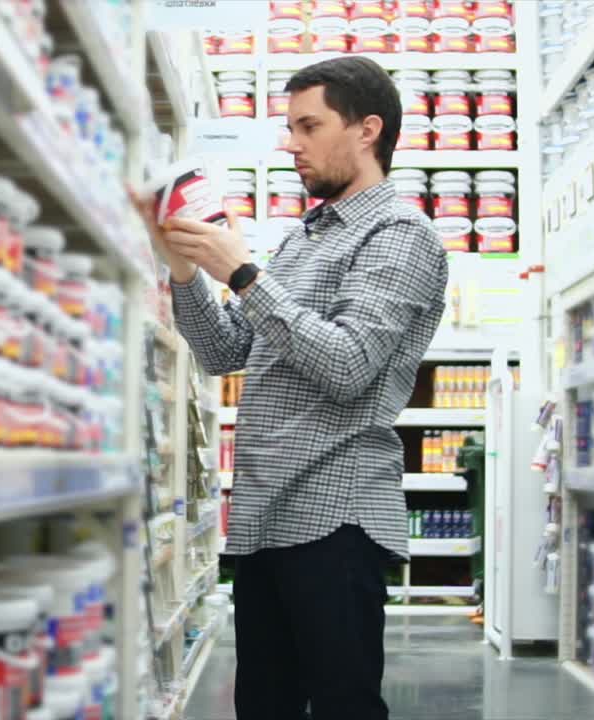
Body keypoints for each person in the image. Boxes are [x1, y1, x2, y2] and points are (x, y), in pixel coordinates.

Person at [131, 56, 448, 719]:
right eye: (290, 127)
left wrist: (245, 274)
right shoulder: (303, 240)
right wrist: (184, 268)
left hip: (334, 518)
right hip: (265, 518)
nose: (291, 144)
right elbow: (225, 352)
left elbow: (349, 365)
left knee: (341, 706)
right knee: (264, 705)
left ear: (366, 130)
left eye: (309, 126)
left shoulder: (401, 234)